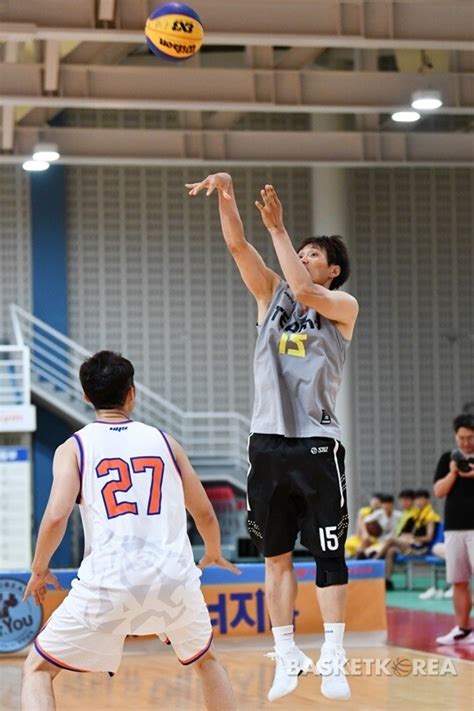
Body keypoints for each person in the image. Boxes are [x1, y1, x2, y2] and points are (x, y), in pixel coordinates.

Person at [186, 173, 359, 702]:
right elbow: (239, 245)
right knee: (275, 557)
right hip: (266, 443)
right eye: (299, 251)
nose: (304, 258)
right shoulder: (270, 297)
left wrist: (281, 230)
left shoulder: (341, 307)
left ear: (333, 270)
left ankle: (333, 657)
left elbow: (306, 290)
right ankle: (286, 653)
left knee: (329, 556)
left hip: (315, 444)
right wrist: (228, 193)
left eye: (314, 254)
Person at [21, 351, 238, 711]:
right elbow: (204, 513)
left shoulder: (74, 447)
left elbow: (56, 516)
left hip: (109, 582)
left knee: (38, 669)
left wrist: (39, 568)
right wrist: (212, 551)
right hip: (173, 580)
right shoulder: (167, 443)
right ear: (132, 393)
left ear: (86, 396)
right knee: (207, 661)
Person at [433, 413, 474, 645]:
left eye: (470, 437)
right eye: (461, 437)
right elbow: (439, 491)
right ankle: (463, 629)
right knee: (459, 580)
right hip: (454, 527)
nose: (466, 442)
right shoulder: (448, 458)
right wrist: (454, 472)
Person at [375, 489, 440, 590]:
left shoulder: (430, 516)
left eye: (421, 499)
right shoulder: (419, 514)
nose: (418, 502)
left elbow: (429, 537)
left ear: (427, 500)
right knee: (391, 551)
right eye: (417, 499)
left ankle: (374, 560)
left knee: (391, 540)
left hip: (421, 548)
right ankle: (387, 580)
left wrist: (412, 537)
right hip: (414, 545)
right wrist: (409, 536)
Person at [345, 493, 383, 559]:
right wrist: (365, 536)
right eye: (373, 502)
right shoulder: (364, 511)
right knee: (350, 544)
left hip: (376, 541)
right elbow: (360, 527)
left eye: (377, 503)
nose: (375, 504)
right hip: (361, 539)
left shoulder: (382, 513)